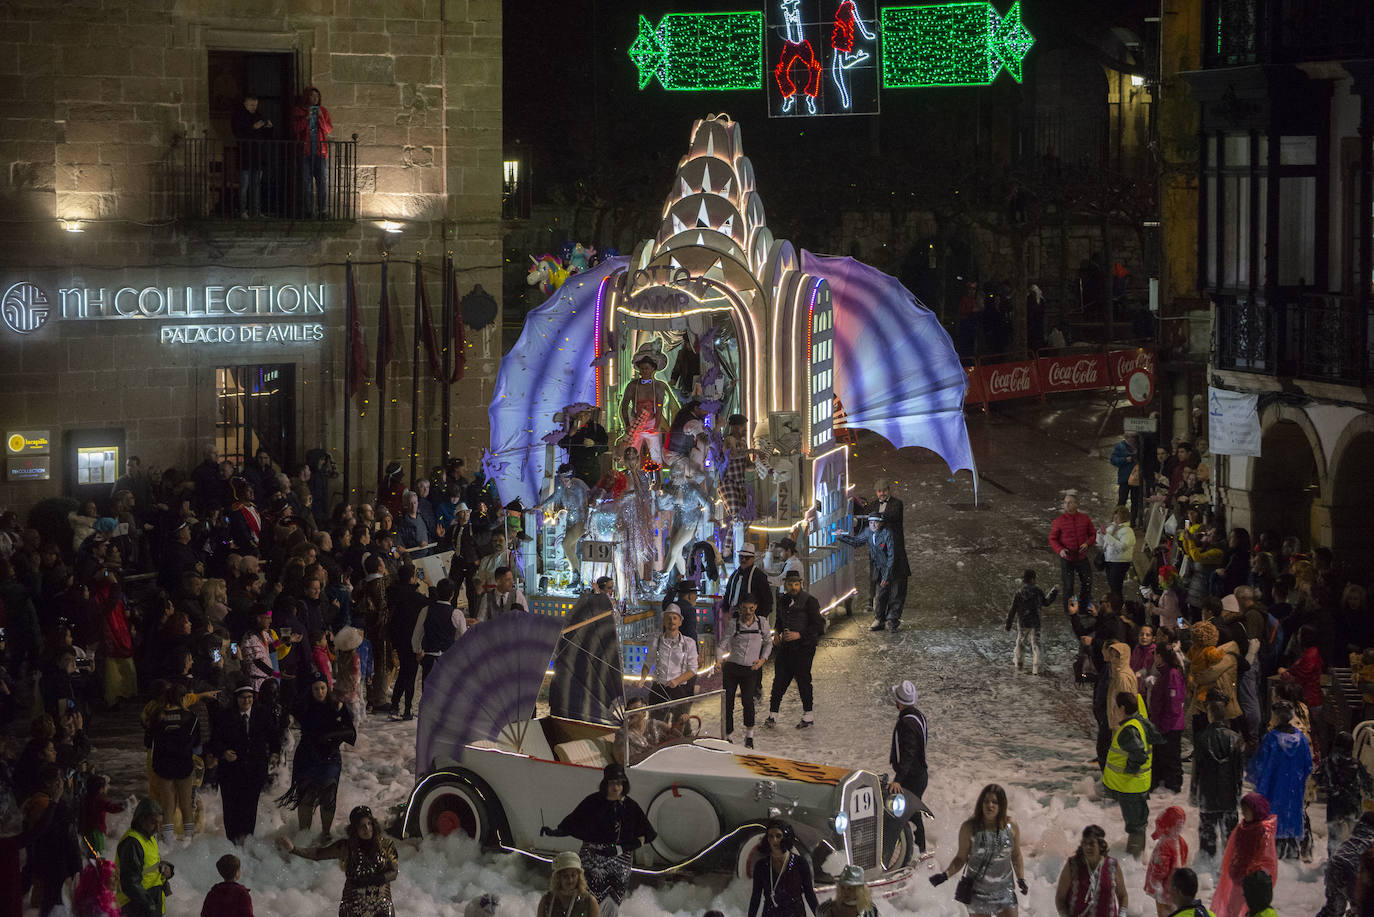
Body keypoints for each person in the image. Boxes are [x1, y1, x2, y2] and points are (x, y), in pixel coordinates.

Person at [542, 763, 656, 915]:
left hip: (619, 860)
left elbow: (648, 834)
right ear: (605, 784)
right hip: (591, 856)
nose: (616, 787)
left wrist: (621, 848)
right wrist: (554, 832)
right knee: (585, 899)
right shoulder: (593, 802)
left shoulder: (630, 807)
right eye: (612, 783)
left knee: (611, 903)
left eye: (619, 783)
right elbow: (572, 823)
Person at [276, 673, 356, 842]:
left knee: (328, 794)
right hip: (307, 755)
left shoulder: (336, 706)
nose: (320, 692)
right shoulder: (303, 706)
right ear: (310, 690)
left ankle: (326, 833)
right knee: (306, 795)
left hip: (329, 756)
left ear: (327, 689)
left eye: (322, 688)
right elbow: (287, 715)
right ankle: (303, 833)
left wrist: (331, 735)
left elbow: (351, 731)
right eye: (316, 689)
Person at [279, 805, 399, 917]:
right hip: (354, 902)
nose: (367, 829)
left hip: (381, 903)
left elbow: (394, 872)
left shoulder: (386, 845)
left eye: (369, 824)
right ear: (354, 829)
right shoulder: (346, 847)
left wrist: (375, 880)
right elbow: (318, 854)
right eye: (362, 826)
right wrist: (294, 850)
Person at [930, 784, 1026, 917]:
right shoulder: (969, 827)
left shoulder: (1011, 826)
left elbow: (1016, 856)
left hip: (1005, 891)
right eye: (986, 801)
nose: (990, 805)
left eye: (994, 802)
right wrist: (945, 875)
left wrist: (1021, 878)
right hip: (978, 893)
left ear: (1001, 805)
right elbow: (961, 858)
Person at [210, 681, 278, 844]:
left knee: (249, 808)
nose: (247, 701)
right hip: (231, 771)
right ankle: (232, 841)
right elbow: (214, 741)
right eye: (243, 698)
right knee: (231, 808)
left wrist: (274, 753)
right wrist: (224, 752)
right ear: (236, 699)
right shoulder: (225, 716)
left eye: (249, 698)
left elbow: (273, 736)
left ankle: (247, 840)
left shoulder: (262, 713)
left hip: (254, 769)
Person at [1245, 699, 1313, 859]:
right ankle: (1292, 857)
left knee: (1273, 826)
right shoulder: (1301, 740)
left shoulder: (1271, 739)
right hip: (1293, 792)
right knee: (1290, 823)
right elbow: (1308, 766)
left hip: (1273, 791)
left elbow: (1258, 765)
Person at [1103, 690, 1162, 858]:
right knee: (1139, 823)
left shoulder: (1128, 730)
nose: (1114, 711)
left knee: (1135, 825)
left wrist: (1129, 769)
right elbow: (1157, 738)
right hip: (1140, 783)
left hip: (1130, 785)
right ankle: (1136, 857)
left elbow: (1139, 754)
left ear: (1122, 708)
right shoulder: (1141, 722)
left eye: (1116, 707)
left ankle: (1133, 860)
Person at [766, 570, 825, 729]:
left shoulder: (810, 601)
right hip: (785, 648)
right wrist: (777, 633)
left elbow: (819, 626)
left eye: (796, 584)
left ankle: (808, 715)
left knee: (803, 680)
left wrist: (799, 635)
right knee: (779, 681)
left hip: (803, 648)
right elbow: (779, 620)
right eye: (790, 584)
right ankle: (773, 714)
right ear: (785, 584)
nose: (793, 587)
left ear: (801, 584)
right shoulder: (782, 600)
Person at [145, 683, 201, 844]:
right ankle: (189, 841)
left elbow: (148, 742)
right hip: (184, 763)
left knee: (167, 805)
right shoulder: (191, 718)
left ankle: (167, 843)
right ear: (183, 698)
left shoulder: (157, 716)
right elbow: (197, 745)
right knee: (186, 804)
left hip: (163, 764)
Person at [1190, 694, 1244, 858]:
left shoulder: (1201, 738)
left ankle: (1207, 867)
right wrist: (1238, 793)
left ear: (1210, 715)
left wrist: (1194, 794)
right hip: (1229, 794)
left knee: (1207, 837)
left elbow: (1196, 770)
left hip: (1208, 794)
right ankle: (1229, 868)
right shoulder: (1235, 739)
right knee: (1231, 838)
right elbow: (1238, 771)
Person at [1211, 793, 1277, 917]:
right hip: (1239, 875)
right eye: (1243, 810)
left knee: (1252, 906)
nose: (1244, 813)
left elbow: (1264, 855)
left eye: (1247, 810)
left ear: (1256, 810)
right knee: (1233, 907)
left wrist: (1251, 869)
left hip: (1253, 880)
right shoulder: (1243, 828)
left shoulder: (1263, 831)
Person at [718, 596, 771, 748]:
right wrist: (718, 660)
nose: (748, 612)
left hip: (751, 669)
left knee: (748, 702)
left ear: (755, 607)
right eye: (745, 608)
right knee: (728, 703)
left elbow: (768, 643)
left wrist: (762, 660)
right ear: (740, 608)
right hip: (732, 668)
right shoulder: (734, 624)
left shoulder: (762, 623)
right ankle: (728, 736)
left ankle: (749, 736)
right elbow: (721, 645)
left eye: (751, 608)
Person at [888, 679, 929, 857]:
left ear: (899, 702)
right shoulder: (918, 716)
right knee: (912, 813)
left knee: (906, 813)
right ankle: (919, 850)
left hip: (911, 778)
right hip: (919, 775)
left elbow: (909, 754)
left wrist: (898, 779)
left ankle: (914, 851)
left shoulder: (907, 723)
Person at [115, 797, 174, 917]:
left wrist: (168, 868)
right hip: (136, 906)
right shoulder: (132, 843)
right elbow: (130, 883)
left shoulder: (148, 836)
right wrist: (149, 906)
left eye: (159, 823)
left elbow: (150, 863)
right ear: (141, 819)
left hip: (149, 900)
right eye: (153, 823)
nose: (157, 828)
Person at [863, 478, 910, 629]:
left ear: (889, 490)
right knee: (881, 589)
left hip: (895, 552)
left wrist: (875, 517)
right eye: (879, 491)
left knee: (897, 587)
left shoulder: (896, 504)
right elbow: (866, 518)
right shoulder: (873, 505)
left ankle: (893, 619)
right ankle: (879, 618)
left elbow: (891, 516)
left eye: (884, 491)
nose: (882, 494)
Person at [748, 820, 819, 917]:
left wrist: (819, 914)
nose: (774, 840)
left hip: (795, 913)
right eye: (770, 836)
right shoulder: (761, 865)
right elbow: (756, 897)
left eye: (778, 836)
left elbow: (809, 893)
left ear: (785, 837)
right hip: (771, 913)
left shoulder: (800, 863)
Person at [837, 514, 895, 632]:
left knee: (884, 593)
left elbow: (891, 556)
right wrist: (841, 536)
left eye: (876, 522)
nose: (873, 525)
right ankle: (881, 618)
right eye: (870, 523)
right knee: (880, 593)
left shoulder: (887, 534)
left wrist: (886, 575)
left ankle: (883, 619)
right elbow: (857, 541)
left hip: (887, 568)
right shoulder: (868, 532)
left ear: (881, 523)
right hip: (877, 567)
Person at [1054, 824, 1127, 917]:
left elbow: (1123, 896)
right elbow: (1060, 899)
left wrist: (1122, 914)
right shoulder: (1073, 865)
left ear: (1101, 845)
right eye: (1084, 843)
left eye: (1092, 844)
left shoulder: (1112, 866)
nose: (1087, 847)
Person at [640, 604, 698, 720]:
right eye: (668, 618)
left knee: (680, 725)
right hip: (659, 688)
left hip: (679, 689)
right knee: (656, 725)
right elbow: (648, 663)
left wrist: (677, 681)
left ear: (680, 622)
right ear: (664, 622)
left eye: (675, 618)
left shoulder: (689, 643)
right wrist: (642, 679)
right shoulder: (656, 641)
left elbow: (692, 670)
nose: (672, 621)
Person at [386, 562, 426, 720]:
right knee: (411, 674)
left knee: (403, 672)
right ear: (411, 578)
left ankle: (395, 705)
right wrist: (428, 584)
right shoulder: (415, 597)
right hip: (413, 639)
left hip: (398, 638)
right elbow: (433, 601)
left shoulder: (393, 593)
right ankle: (407, 709)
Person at [1317, 811, 1374, 917]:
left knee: (1333, 909)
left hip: (1334, 866)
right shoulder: (1370, 843)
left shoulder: (1353, 839)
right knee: (1363, 909)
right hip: (1352, 872)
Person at [411, 578, 466, 684]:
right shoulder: (456, 613)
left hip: (429, 657)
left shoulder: (426, 610)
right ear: (453, 594)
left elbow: (417, 635)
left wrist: (418, 650)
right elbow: (463, 639)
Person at [1050, 493, 1095, 615]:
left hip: (1081, 557)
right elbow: (1052, 539)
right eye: (1065, 502)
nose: (1066, 505)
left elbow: (1092, 534)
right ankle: (1069, 610)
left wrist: (1087, 543)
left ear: (1076, 504)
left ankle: (1083, 607)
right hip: (1067, 558)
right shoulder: (1059, 521)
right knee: (1068, 586)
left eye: (1069, 502)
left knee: (1087, 582)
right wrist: (1060, 550)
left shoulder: (1085, 519)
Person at [1005, 569, 1057, 675]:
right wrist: (1054, 592)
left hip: (1023, 621)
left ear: (1024, 580)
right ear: (1033, 579)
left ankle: (1019, 664)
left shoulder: (1019, 592)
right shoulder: (1038, 590)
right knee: (1036, 644)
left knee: (1020, 642)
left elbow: (1013, 609)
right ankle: (1036, 668)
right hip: (1035, 621)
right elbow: (1046, 603)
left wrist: (1008, 624)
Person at [291, 86, 332, 218]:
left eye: (317, 96)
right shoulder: (298, 111)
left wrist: (320, 117)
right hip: (305, 151)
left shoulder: (323, 111)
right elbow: (296, 129)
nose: (315, 98)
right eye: (312, 96)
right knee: (306, 183)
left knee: (323, 182)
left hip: (320, 152)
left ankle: (322, 211)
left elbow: (328, 130)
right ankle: (309, 211)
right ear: (307, 97)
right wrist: (306, 117)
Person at [230, 94, 272, 218]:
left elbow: (266, 136)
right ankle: (242, 210)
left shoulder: (259, 116)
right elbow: (238, 132)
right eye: (251, 105)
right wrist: (253, 127)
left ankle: (256, 211)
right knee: (244, 185)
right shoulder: (239, 116)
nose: (254, 107)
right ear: (245, 104)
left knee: (256, 186)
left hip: (258, 155)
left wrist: (269, 127)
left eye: (255, 105)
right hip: (245, 155)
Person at [1143, 807, 1188, 917]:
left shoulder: (1164, 844)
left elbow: (1160, 868)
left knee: (1164, 912)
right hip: (1177, 886)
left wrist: (1155, 883)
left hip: (1164, 888)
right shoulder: (1181, 841)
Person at [537, 851, 600, 917]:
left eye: (573, 875)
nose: (570, 880)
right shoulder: (547, 901)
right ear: (558, 878)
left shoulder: (589, 902)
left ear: (579, 877)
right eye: (565, 876)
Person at [724, 544, 774, 621]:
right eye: (741, 557)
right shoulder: (735, 575)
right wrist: (726, 611)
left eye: (747, 558)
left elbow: (768, 600)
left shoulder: (759, 576)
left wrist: (761, 618)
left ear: (753, 559)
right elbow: (727, 594)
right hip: (737, 616)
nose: (743, 560)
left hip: (755, 618)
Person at [1098, 506, 1137, 597]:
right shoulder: (1112, 528)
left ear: (1123, 518)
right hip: (1110, 561)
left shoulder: (1128, 531)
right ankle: (1114, 605)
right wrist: (1100, 535)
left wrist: (1106, 536)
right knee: (1112, 587)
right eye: (1114, 517)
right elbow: (1101, 543)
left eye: (1117, 517)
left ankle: (1117, 607)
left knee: (1116, 588)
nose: (1115, 519)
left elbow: (1122, 547)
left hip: (1120, 563)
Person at [1110, 433, 1141, 525]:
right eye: (1130, 437)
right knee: (1122, 500)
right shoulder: (1120, 447)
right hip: (1125, 479)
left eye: (1133, 437)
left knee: (1135, 501)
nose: (1132, 439)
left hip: (1136, 479)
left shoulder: (1139, 446)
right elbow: (1113, 460)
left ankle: (1133, 522)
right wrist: (1125, 460)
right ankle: (1118, 521)